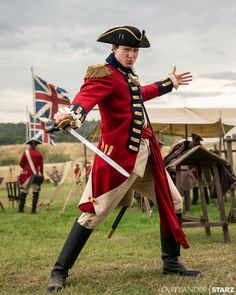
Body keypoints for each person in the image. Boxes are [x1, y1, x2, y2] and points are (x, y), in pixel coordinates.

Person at [47, 25, 200, 292]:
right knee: (92, 215)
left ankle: (171, 262)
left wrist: (168, 83)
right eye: (127, 50)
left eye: (135, 52)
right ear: (114, 49)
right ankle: (59, 271)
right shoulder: (103, 74)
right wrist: (73, 115)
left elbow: (139, 95)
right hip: (117, 162)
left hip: (145, 157)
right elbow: (85, 98)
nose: (131, 56)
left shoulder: (127, 76)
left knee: (174, 200)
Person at [18, 138, 44, 214]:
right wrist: (41, 175)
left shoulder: (25, 152)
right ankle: (33, 210)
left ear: (30, 145)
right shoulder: (39, 154)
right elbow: (41, 166)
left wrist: (25, 168)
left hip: (27, 175)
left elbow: (20, 163)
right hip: (36, 175)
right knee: (35, 192)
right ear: (36, 145)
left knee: (24, 192)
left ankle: (21, 209)